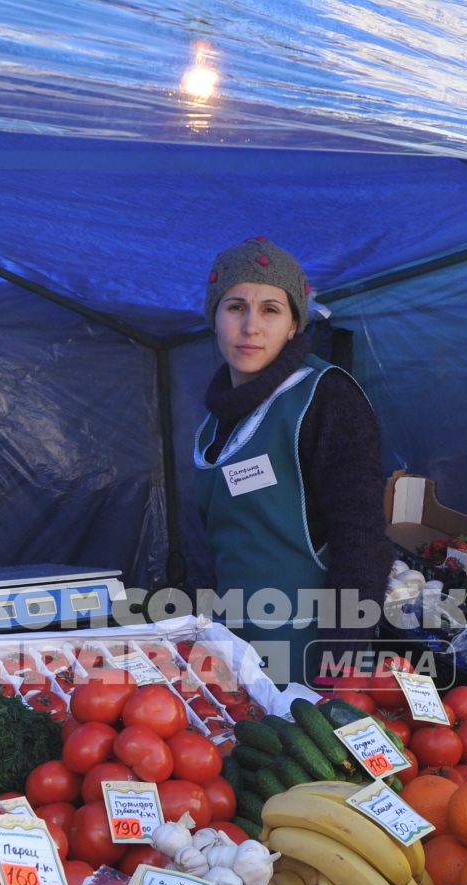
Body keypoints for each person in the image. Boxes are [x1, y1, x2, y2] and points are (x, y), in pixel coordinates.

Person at [192, 237, 392, 685]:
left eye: (270, 310)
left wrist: (340, 662)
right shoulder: (211, 423)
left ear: (292, 326)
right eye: (235, 307)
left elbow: (362, 541)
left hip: (310, 654)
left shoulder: (325, 398)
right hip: (235, 649)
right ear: (214, 318)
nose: (250, 327)